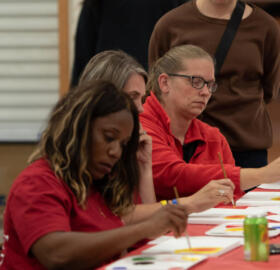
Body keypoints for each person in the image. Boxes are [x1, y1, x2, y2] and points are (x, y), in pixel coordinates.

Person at [0, 81, 188, 269]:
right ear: (79, 128)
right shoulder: (37, 183)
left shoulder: (98, 185)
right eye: (108, 137)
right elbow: (56, 254)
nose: (116, 152)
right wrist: (143, 228)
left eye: (123, 145)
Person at [149, 0, 280, 169]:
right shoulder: (170, 25)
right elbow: (155, 89)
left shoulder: (266, 28)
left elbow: (269, 90)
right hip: (188, 145)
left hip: (246, 148)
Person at [78, 50, 236, 212]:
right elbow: (116, 218)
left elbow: (147, 216)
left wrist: (145, 167)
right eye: (132, 97)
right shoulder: (70, 159)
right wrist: (192, 203)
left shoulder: (131, 145)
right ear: (100, 97)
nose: (140, 108)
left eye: (210, 85)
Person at [141, 45, 280, 200]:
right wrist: (263, 174)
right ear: (164, 83)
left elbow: (232, 200)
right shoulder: (140, 126)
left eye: (210, 85)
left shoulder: (213, 138)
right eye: (196, 81)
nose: (205, 92)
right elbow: (173, 176)